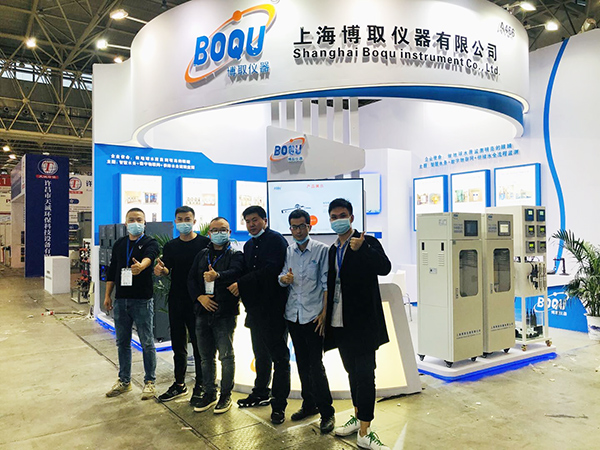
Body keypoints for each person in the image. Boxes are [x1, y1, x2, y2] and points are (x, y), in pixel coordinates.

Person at [325, 198, 392, 450]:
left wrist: (363, 249)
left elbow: (385, 268)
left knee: (365, 375)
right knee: (352, 372)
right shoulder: (333, 250)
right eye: (333, 217)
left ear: (351, 218)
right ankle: (357, 417)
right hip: (340, 322)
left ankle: (365, 431)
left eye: (342, 215)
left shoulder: (368, 242)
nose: (337, 220)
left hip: (363, 324)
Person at [227, 205, 290, 425]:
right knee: (260, 354)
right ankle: (260, 392)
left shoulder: (276, 240)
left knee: (280, 358)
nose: (251, 224)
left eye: (255, 220)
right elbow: (247, 271)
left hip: (274, 310)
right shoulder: (248, 245)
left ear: (265, 220)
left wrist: (241, 284)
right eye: (247, 221)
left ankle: (279, 405)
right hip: (255, 310)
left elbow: (272, 270)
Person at [278, 209, 335, 433]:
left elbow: (327, 284)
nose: (298, 231)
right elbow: (282, 276)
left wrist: (324, 313)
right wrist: (284, 279)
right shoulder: (288, 250)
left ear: (309, 227)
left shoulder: (322, 250)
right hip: (293, 315)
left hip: (313, 317)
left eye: (302, 226)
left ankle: (327, 412)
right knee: (302, 363)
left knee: (316, 365)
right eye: (294, 227)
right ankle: (309, 404)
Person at [187, 217, 244, 414]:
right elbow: (191, 279)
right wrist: (200, 297)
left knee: (226, 356)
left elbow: (237, 272)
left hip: (224, 313)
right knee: (205, 357)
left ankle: (225, 395)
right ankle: (209, 393)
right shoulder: (202, 255)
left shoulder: (236, 255)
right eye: (215, 230)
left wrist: (217, 276)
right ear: (209, 233)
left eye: (223, 230)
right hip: (202, 312)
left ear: (229, 232)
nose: (219, 233)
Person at [154, 206, 210, 405]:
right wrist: (161, 270)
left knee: (199, 344)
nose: (184, 222)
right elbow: (167, 269)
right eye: (180, 219)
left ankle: (201, 385)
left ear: (194, 221)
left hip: (198, 300)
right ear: (175, 222)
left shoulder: (205, 243)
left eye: (187, 219)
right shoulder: (171, 246)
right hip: (177, 299)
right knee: (178, 344)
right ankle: (179, 384)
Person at [104, 208, 160, 400]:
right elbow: (112, 271)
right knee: (122, 342)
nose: (135, 223)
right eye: (131, 220)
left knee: (147, 342)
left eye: (139, 220)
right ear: (126, 223)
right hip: (121, 300)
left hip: (142, 300)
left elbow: (150, 256)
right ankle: (124, 381)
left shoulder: (150, 242)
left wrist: (141, 266)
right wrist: (107, 295)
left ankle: (150, 382)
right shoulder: (120, 244)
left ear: (145, 223)